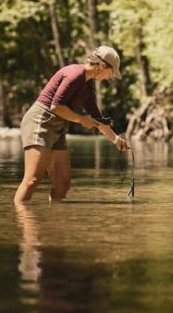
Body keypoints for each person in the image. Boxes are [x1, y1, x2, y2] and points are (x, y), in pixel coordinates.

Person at [14, 45, 129, 204]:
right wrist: (82, 120)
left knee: (62, 182)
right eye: (111, 72)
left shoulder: (88, 86)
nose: (110, 77)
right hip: (40, 120)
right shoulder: (75, 74)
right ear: (102, 65)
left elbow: (97, 118)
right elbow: (56, 106)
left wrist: (116, 140)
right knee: (32, 179)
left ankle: (58, 224)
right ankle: (22, 221)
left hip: (58, 125)